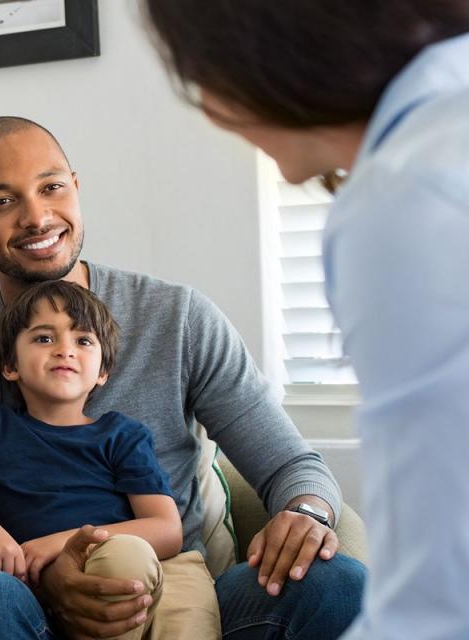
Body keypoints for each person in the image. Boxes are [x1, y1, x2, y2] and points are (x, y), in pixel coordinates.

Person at [0, 115, 365, 639]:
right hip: (18, 603)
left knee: (338, 584)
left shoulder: (177, 317)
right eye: (2, 201)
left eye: (51, 187)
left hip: (168, 594)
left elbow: (290, 464)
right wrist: (40, 574)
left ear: (75, 188)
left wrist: (309, 513)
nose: (37, 217)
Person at [141, 2, 469, 638]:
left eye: (199, 74)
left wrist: (308, 507)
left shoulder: (405, 198)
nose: (209, 110)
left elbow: (437, 598)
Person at [0, 280, 220, 640]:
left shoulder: (122, 435)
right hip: (34, 599)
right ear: (10, 365)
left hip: (113, 567)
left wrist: (58, 542)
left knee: (126, 556)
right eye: (44, 338)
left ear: (103, 372)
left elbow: (167, 529)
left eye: (83, 341)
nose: (65, 350)